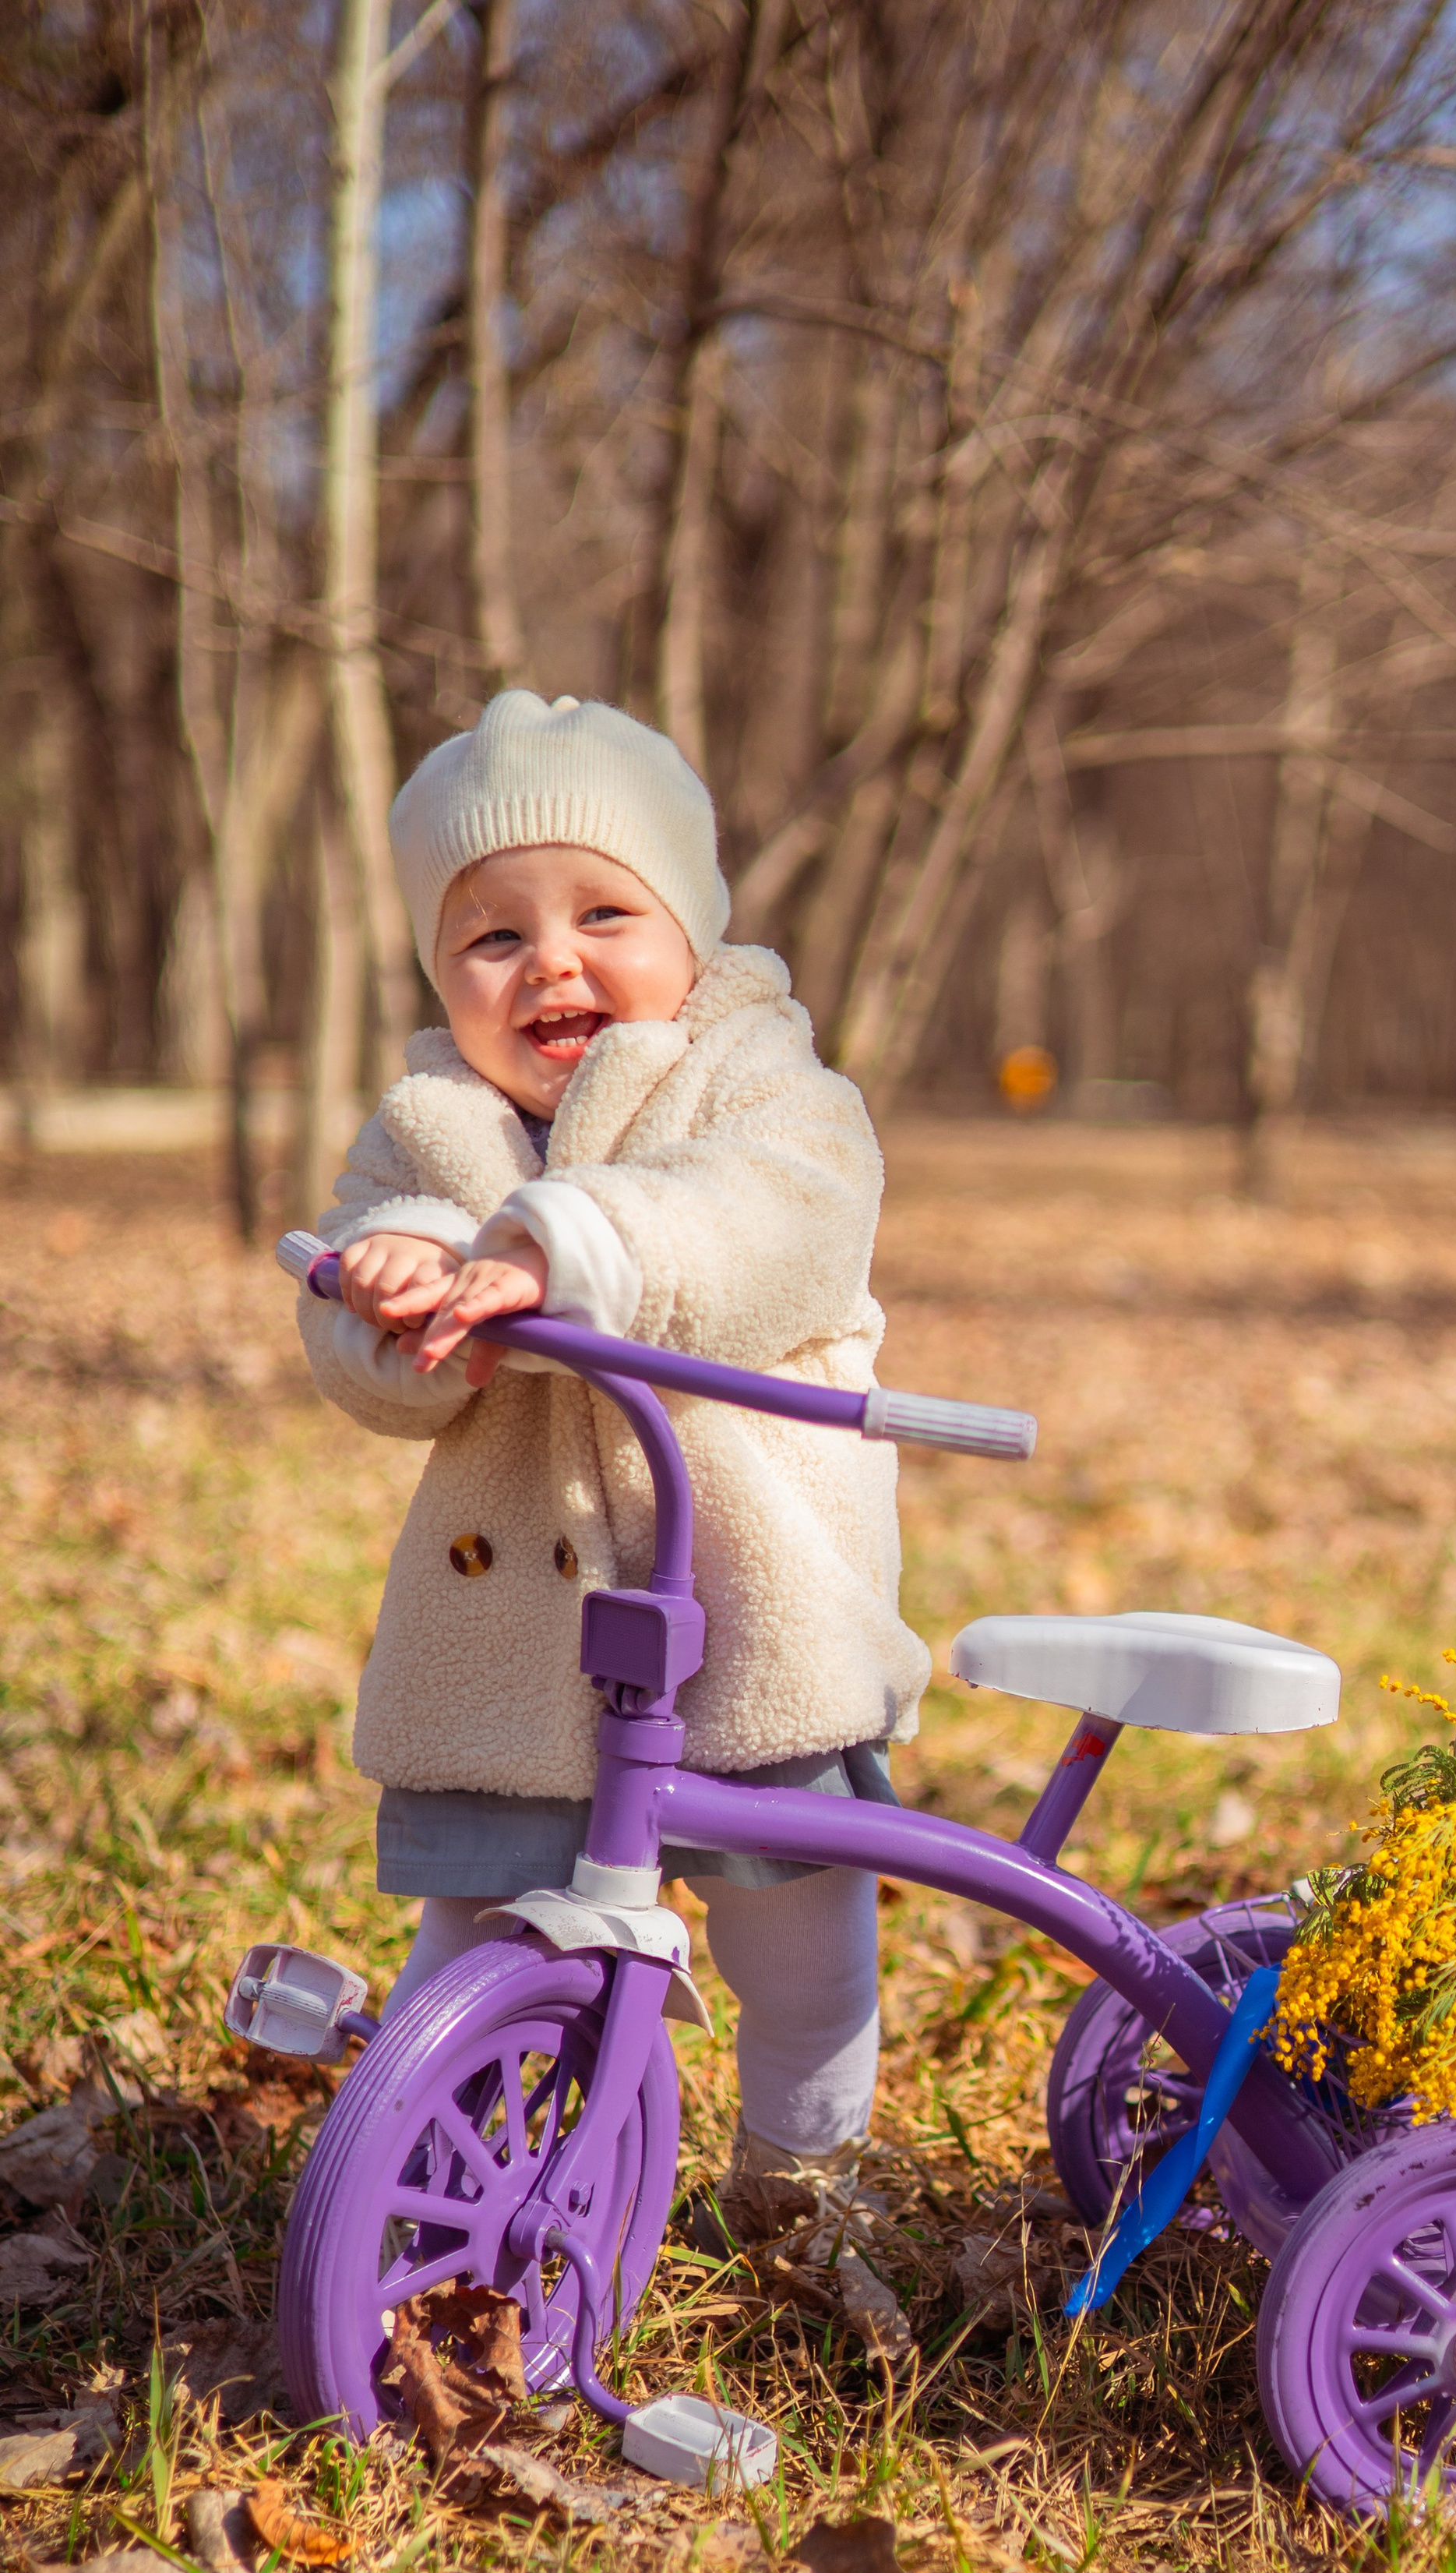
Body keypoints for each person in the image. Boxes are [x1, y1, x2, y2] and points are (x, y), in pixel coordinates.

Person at [295, 687, 929, 2206]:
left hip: (754, 1619)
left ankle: (800, 2182)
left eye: (601, 912)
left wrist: (555, 1246)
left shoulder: (768, 1085)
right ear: (441, 976)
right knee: (473, 1939)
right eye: (490, 937)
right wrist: (391, 1286)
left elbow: (769, 1213)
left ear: (691, 930)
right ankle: (458, 2191)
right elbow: (386, 1265)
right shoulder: (429, 1125)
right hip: (521, 1648)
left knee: (802, 1960)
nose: (549, 963)